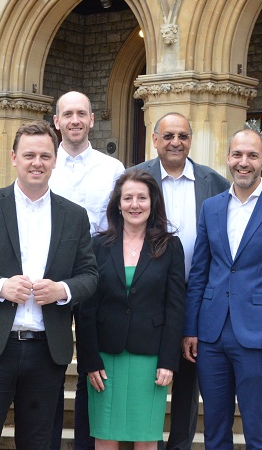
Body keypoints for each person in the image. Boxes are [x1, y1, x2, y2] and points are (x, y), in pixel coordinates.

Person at [0, 120, 99, 449]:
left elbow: (89, 275)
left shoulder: (73, 215)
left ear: (55, 160)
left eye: (45, 156)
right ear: (14, 157)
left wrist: (63, 291)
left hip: (46, 350)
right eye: (29, 155)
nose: (37, 163)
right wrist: (0, 286)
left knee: (38, 442)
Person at [182, 129, 262, 449]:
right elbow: (199, 273)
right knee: (214, 424)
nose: (243, 162)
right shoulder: (210, 208)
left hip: (258, 335)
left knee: (257, 424)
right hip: (210, 334)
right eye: (237, 155)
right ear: (227, 159)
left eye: (252, 156)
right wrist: (191, 328)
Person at [133, 112, 229, 450]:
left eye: (183, 136)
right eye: (169, 135)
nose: (176, 142)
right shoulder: (135, 178)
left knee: (189, 379)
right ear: (155, 139)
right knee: (148, 377)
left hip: (197, 295)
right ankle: (146, 441)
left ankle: (180, 445)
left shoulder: (214, 182)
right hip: (147, 295)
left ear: (191, 140)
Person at [79, 170, 185, 449]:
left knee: (146, 437)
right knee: (105, 434)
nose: (134, 204)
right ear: (118, 204)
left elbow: (175, 307)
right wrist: (89, 359)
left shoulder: (170, 246)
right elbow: (86, 308)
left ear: (153, 203)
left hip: (150, 358)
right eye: (128, 198)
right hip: (105, 357)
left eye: (142, 198)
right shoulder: (98, 246)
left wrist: (168, 361)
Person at [49, 90, 125, 450]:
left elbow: (121, 224)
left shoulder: (113, 169)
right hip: (50, 278)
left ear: (92, 119)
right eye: (68, 114)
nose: (75, 120)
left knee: (90, 367)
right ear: (57, 121)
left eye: (81, 113)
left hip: (99, 277)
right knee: (49, 365)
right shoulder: (44, 165)